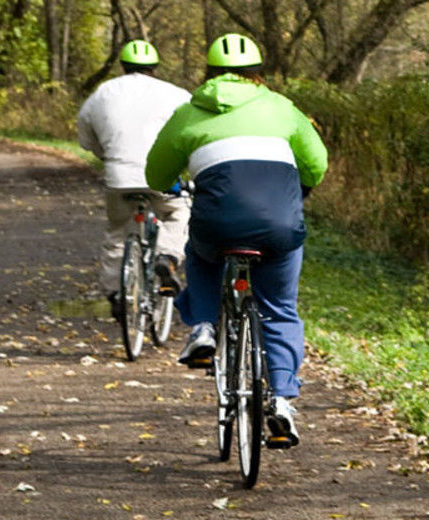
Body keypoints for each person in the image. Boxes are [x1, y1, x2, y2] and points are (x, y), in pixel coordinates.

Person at [145, 33, 328, 446]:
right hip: (280, 227)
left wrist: (175, 183)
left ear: (208, 74)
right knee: (280, 309)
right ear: (258, 73)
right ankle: (281, 400)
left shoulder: (189, 113)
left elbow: (155, 174)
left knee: (200, 253)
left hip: (218, 226)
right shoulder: (282, 107)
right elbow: (316, 163)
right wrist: (304, 185)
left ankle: (205, 328)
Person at [77, 39, 192, 318]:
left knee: (118, 231)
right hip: (161, 176)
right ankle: (168, 257)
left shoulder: (102, 92)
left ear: (123, 65)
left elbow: (85, 134)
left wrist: (105, 155)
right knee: (178, 213)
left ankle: (116, 292)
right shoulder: (177, 94)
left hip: (119, 176)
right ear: (154, 67)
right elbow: (192, 132)